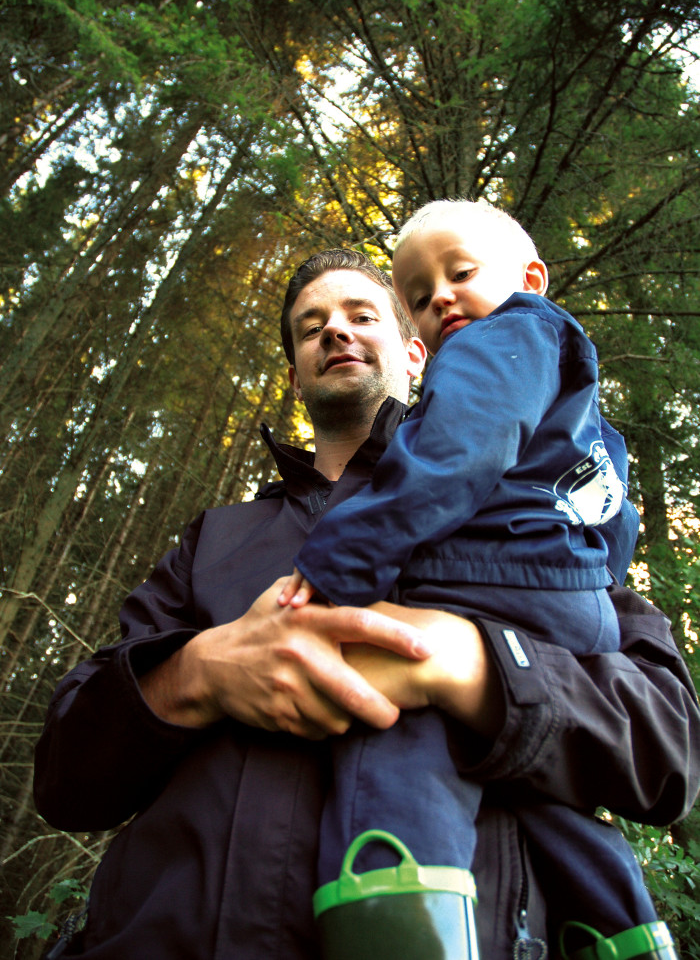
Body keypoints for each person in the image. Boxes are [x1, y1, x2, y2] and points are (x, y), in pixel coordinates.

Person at [33, 248, 700, 960]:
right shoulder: (215, 539)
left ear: (417, 353)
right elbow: (66, 778)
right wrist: (195, 674)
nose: (335, 333)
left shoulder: (540, 511)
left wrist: (477, 669)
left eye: (361, 314)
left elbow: (673, 750)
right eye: (311, 325)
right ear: (294, 375)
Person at [277, 203, 659, 949]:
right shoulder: (575, 400)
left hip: (488, 580)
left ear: (530, 280)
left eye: (460, 273)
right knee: (545, 790)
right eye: (419, 296)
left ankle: (397, 919)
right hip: (570, 604)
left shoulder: (505, 336)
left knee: (394, 727)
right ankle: (620, 926)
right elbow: (615, 513)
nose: (440, 298)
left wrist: (332, 566)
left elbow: (454, 455)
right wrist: (591, 586)